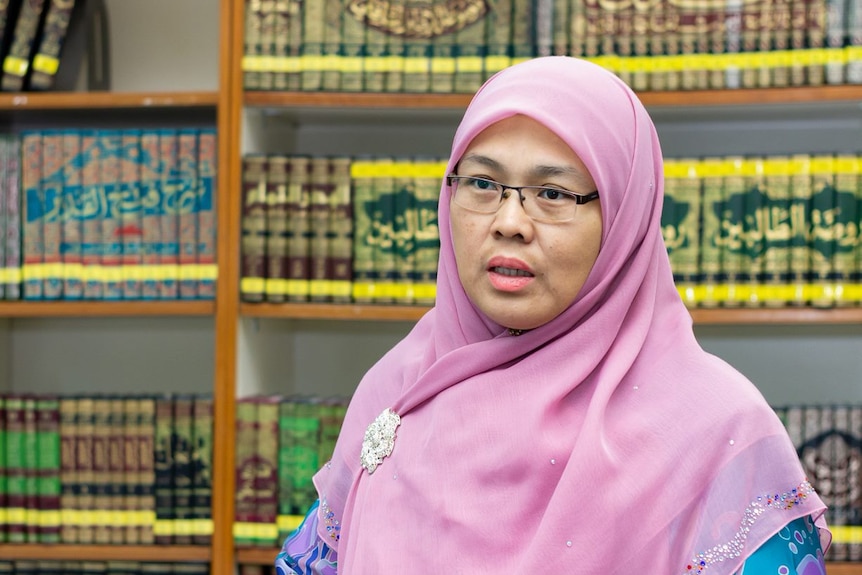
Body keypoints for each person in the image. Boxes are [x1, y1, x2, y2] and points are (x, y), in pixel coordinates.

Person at [275, 56, 830, 575]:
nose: (509, 221)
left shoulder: (719, 432)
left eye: (553, 193)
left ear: (624, 215)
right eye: (483, 184)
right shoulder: (400, 387)